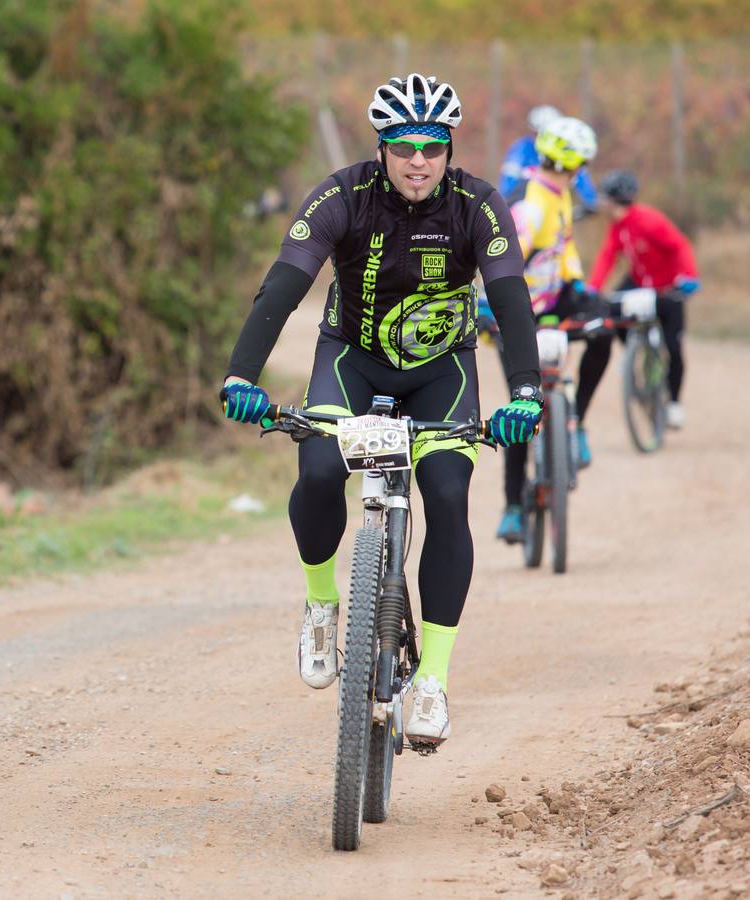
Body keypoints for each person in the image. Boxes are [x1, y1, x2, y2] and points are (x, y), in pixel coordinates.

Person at [219, 74, 542, 746]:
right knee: (315, 470)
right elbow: (284, 282)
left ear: (449, 149)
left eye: (432, 145)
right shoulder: (343, 195)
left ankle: (433, 682)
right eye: (402, 146)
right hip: (352, 362)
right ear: (382, 149)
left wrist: (525, 391)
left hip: (441, 372)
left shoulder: (479, 206)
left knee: (448, 496)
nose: (418, 160)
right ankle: (320, 601)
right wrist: (241, 376)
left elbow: (511, 303)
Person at [496, 116, 603, 545]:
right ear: (574, 165)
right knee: (521, 409)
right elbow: (506, 264)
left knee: (604, 327)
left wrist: (576, 282)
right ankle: (513, 506)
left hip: (552, 299)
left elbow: (565, 246)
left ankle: (576, 422)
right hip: (517, 310)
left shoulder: (556, 194)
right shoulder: (531, 204)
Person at [589, 169, 700, 428]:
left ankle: (673, 404)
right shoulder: (616, 227)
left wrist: (689, 276)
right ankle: (631, 351)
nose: (603, 203)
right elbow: (607, 257)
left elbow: (679, 245)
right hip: (639, 284)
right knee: (610, 309)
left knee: (673, 347)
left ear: (614, 199)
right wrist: (593, 288)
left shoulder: (649, 220)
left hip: (668, 286)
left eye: (605, 198)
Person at [500, 104, 598, 214]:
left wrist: (590, 200)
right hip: (523, 200)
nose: (539, 138)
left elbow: (579, 175)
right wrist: (506, 202)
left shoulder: (567, 156)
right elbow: (509, 175)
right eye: (536, 133)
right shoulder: (522, 147)